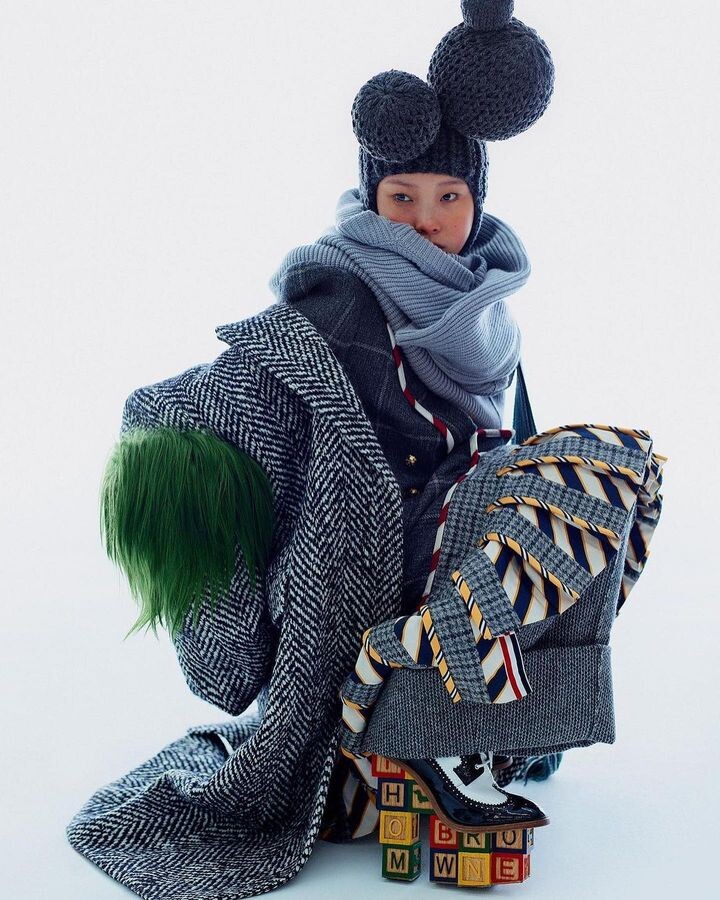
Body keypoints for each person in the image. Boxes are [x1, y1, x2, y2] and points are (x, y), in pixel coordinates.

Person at [66, 2, 666, 897]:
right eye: (402, 198)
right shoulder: (341, 298)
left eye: (448, 197)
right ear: (373, 201)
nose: (425, 219)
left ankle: (466, 724)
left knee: (614, 493)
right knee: (603, 464)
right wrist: (178, 453)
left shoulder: (483, 318)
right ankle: (410, 687)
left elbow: (513, 443)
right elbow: (242, 382)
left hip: (454, 545)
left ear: (476, 202)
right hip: (376, 555)